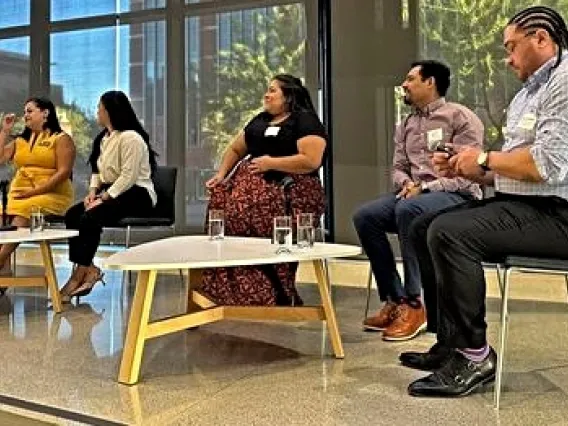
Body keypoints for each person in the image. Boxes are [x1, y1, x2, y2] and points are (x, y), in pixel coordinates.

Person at [400, 5, 568, 398]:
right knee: (424, 225)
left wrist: (482, 158)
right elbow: (513, 167)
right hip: (524, 204)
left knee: (449, 232)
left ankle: (475, 356)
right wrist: (466, 167)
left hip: (558, 214)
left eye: (511, 47)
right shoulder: (530, 92)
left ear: (540, 39)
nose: (507, 59)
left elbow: (547, 164)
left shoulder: (565, 80)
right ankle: (451, 343)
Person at [352, 60, 484, 341]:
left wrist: (424, 188)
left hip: (455, 195)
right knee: (366, 216)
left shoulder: (460, 117)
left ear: (430, 82)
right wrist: (407, 183)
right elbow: (398, 167)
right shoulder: (406, 124)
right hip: (413, 194)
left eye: (411, 79)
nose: (404, 84)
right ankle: (395, 299)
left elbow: (469, 175)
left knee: (408, 209)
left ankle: (416, 303)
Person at [202, 74, 327, 306]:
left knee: (261, 216)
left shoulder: (304, 121)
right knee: (223, 209)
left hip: (289, 189)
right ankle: (234, 291)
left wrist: (271, 163)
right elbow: (236, 149)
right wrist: (221, 175)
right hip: (249, 187)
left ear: (288, 96)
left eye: (272, 91)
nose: (266, 95)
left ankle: (275, 290)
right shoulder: (259, 121)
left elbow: (311, 160)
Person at [62, 90, 157, 302]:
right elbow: (97, 172)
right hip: (110, 191)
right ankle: (89, 268)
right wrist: (92, 193)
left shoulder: (131, 138)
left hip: (137, 194)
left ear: (110, 111)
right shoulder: (103, 139)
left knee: (90, 217)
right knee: (72, 215)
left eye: (99, 108)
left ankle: (78, 275)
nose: (97, 112)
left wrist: (103, 198)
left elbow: (129, 176)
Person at [0, 97, 75, 282]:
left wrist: (33, 192)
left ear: (45, 113)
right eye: (25, 111)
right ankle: (4, 272)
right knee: (3, 212)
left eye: (30, 111)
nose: (25, 115)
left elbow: (64, 172)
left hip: (52, 193)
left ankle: (0, 259)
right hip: (20, 193)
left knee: (24, 210)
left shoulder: (61, 138)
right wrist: (5, 131)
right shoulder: (20, 141)